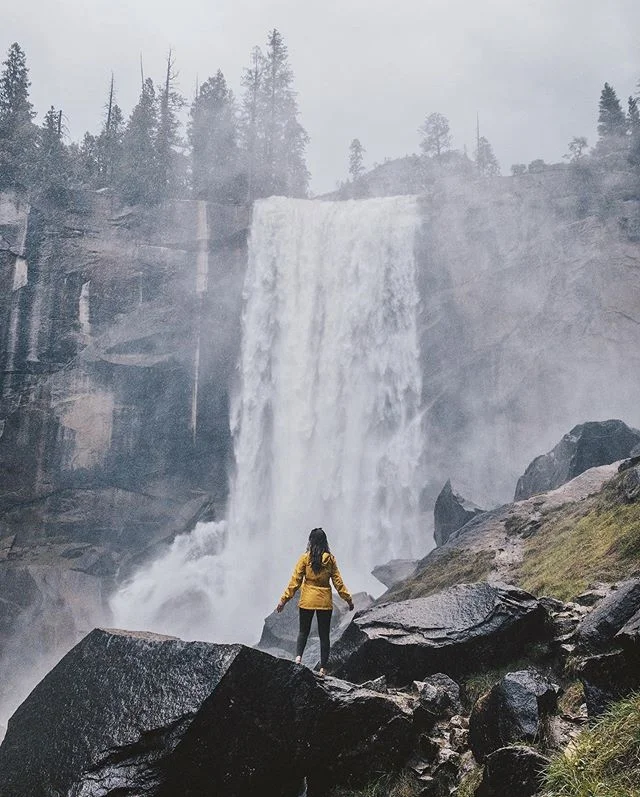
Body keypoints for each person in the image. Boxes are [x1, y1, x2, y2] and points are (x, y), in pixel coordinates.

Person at [276, 527, 354, 677]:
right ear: (325, 542)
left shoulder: (305, 558)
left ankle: (298, 658)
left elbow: (295, 582)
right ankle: (323, 669)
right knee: (324, 636)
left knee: (303, 631)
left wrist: (283, 600)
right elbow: (338, 583)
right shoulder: (330, 560)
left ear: (310, 541)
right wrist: (348, 600)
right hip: (324, 602)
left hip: (307, 600)